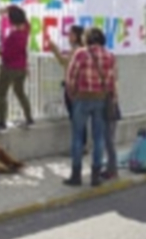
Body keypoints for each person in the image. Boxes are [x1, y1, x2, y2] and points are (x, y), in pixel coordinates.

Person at [63, 27, 116, 187]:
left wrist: (72, 94)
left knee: (78, 137)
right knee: (98, 138)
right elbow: (111, 81)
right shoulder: (109, 56)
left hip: (81, 98)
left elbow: (71, 76)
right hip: (100, 99)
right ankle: (95, 175)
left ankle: (76, 174)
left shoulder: (80, 54)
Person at [46, 25, 88, 152]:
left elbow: (65, 62)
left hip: (73, 88)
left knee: (76, 118)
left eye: (70, 34)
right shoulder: (82, 50)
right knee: (79, 117)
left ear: (76, 37)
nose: (68, 37)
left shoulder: (77, 50)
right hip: (79, 88)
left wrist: (55, 50)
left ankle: (78, 147)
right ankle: (81, 145)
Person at [0, 5, 34, 130]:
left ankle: (1, 121)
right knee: (20, 92)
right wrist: (8, 9)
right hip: (21, 68)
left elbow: (7, 54)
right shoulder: (26, 29)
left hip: (9, 68)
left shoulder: (13, 37)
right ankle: (29, 117)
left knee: (1, 93)